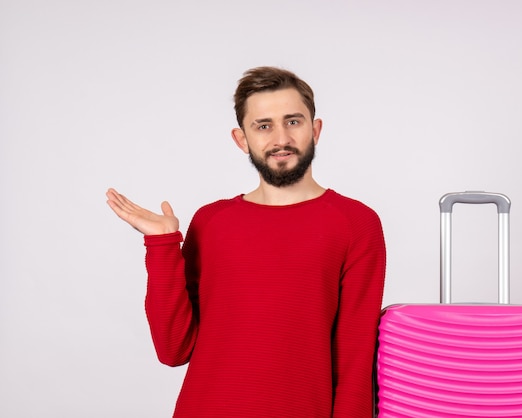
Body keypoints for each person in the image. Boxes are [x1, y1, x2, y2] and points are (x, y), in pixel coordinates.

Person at [106, 66, 386, 417]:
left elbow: (354, 361)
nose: (280, 138)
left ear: (315, 130)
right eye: (263, 125)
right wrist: (163, 246)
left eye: (293, 121)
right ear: (242, 139)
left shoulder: (355, 224)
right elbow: (173, 349)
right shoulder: (211, 222)